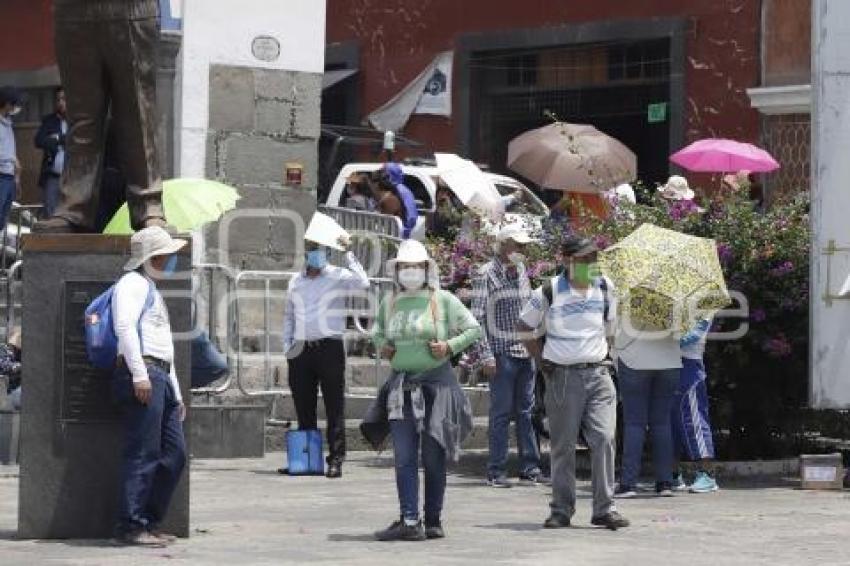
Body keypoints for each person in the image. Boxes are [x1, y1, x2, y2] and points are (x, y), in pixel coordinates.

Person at [371, 239, 480, 541]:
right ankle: (409, 519)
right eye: (404, 267)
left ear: (425, 269)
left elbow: (473, 329)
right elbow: (377, 331)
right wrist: (383, 346)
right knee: (404, 455)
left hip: (437, 387)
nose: (409, 271)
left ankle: (433, 519)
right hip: (402, 387)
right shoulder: (389, 302)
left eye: (415, 266)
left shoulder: (442, 300)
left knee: (433, 456)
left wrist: (449, 346)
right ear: (397, 271)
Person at [517, 236, 628, 530]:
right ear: (566, 260)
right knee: (563, 445)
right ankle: (561, 509)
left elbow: (610, 330)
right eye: (583, 259)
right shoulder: (549, 291)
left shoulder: (606, 287)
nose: (590, 264)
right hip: (562, 377)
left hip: (599, 374)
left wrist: (608, 359)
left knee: (604, 438)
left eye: (593, 258)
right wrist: (541, 362)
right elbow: (524, 327)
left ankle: (605, 508)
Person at [35, 0, 168, 233]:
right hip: (72, 11)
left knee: (137, 116)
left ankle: (148, 206)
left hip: (130, 9)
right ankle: (73, 207)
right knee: (82, 119)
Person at [111, 226, 187, 546]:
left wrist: (176, 392)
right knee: (143, 453)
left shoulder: (151, 288)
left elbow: (164, 345)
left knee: (174, 453)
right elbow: (125, 326)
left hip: (161, 377)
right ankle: (130, 525)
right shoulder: (131, 284)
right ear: (153, 257)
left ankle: (147, 520)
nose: (171, 259)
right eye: (166, 255)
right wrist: (139, 374)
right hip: (144, 375)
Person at [283, 234, 370, 478]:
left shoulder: (338, 275)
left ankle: (336, 458)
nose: (316, 254)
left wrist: (349, 253)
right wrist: (287, 346)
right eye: (312, 249)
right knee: (303, 405)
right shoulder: (295, 281)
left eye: (321, 249)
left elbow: (363, 283)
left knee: (334, 405)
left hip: (329, 346)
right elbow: (288, 315)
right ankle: (307, 458)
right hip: (301, 348)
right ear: (305, 253)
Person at [471, 224, 545, 487]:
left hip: (525, 351)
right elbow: (477, 318)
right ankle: (496, 470)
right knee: (501, 413)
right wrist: (485, 356)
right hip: (501, 353)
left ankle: (530, 467)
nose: (522, 250)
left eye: (524, 246)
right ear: (503, 245)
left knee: (526, 411)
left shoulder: (522, 270)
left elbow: (528, 312)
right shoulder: (486, 274)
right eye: (517, 245)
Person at [613, 299, 683, 498]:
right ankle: (665, 482)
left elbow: (612, 324)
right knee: (662, 423)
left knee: (634, 423)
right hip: (669, 360)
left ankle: (628, 483)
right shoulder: (676, 291)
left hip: (634, 359)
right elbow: (683, 329)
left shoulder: (626, 287)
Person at [672, 317, 720, 493]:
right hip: (670, 365)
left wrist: (664, 340)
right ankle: (673, 475)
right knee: (673, 424)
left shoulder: (705, 302)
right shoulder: (679, 300)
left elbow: (693, 336)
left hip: (690, 365)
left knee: (694, 421)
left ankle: (707, 474)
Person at [35, 87, 68, 217]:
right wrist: (61, 140)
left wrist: (58, 138)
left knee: (69, 213)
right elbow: (39, 141)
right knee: (50, 212)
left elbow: (75, 140)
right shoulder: (49, 120)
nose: (61, 102)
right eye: (58, 99)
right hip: (53, 175)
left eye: (64, 99)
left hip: (73, 178)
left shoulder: (77, 120)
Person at [0, 86, 24, 231]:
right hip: (1, 176)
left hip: (9, 177)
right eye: (15, 104)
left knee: (3, 217)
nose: (17, 108)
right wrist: (12, 159)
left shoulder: (8, 123)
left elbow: (10, 148)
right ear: (7, 104)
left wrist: (17, 177)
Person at [379, 163, 418, 239]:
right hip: (389, 234)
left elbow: (412, 215)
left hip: (399, 236)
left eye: (384, 173)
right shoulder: (389, 189)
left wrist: (405, 231)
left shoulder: (402, 191)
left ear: (391, 174)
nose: (382, 176)